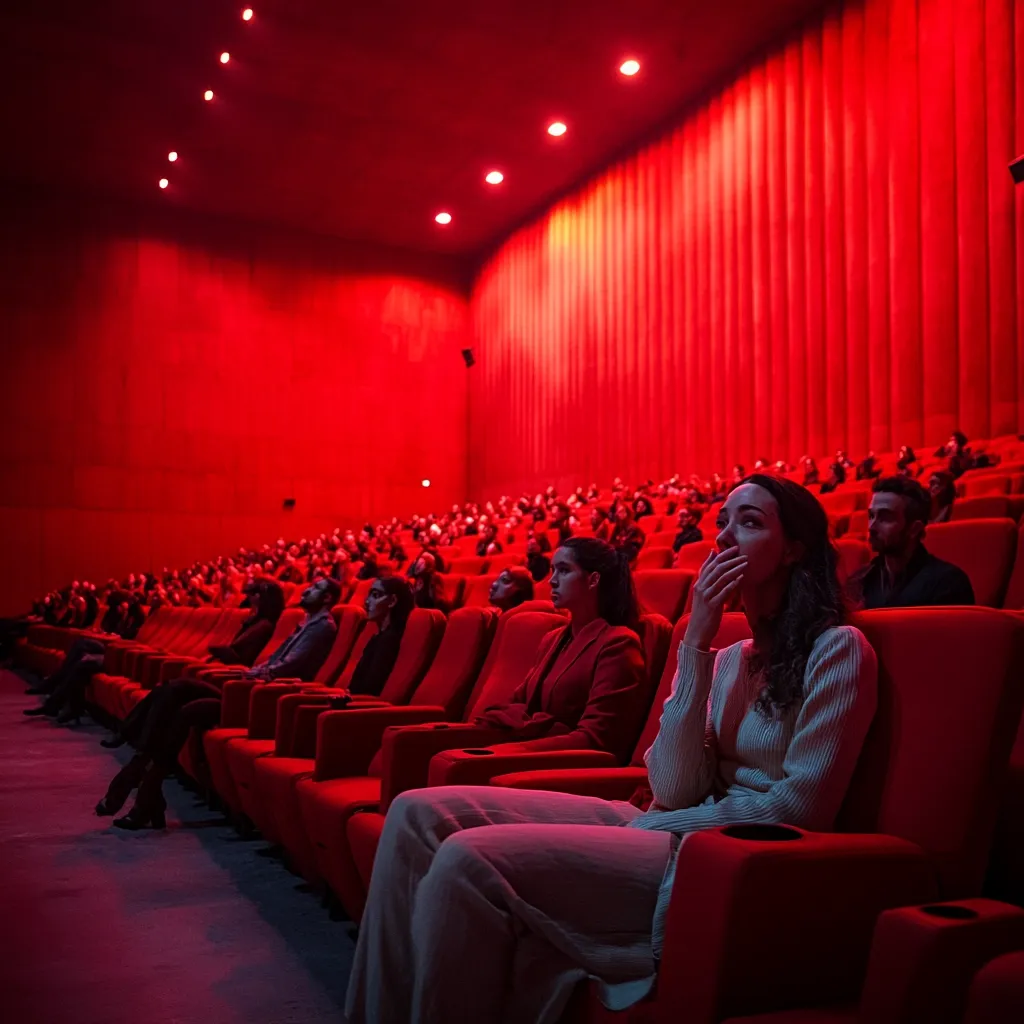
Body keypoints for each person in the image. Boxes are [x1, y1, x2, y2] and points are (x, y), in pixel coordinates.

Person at [344, 476, 878, 1024]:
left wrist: (654, 827)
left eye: (749, 522)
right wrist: (694, 643)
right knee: (414, 811)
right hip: (668, 819)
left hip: (712, 853)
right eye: (722, 521)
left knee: (467, 859)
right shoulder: (727, 658)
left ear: (795, 548)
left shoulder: (839, 649)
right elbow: (674, 786)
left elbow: (799, 810)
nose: (722, 538)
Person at [95, 578, 341, 830]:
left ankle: (137, 778)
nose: (307, 589)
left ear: (328, 598)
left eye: (315, 588)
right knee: (172, 689)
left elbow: (289, 666)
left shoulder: (322, 627)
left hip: (266, 700)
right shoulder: (304, 624)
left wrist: (252, 674)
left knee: (187, 709)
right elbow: (274, 662)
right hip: (252, 687)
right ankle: (143, 784)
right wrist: (253, 672)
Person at [847, 476, 975, 609]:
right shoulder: (860, 580)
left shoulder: (949, 583)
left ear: (914, 529)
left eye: (885, 518)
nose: (871, 527)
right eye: (871, 516)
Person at [345, 577, 414, 698]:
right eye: (369, 595)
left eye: (375, 595)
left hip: (363, 712)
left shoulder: (389, 641)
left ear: (392, 601)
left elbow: (369, 690)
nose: (367, 601)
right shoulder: (380, 637)